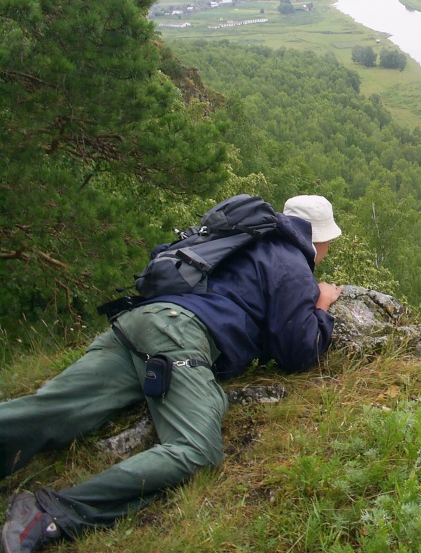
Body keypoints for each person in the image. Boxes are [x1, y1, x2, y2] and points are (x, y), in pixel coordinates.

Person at [1, 195, 344, 553]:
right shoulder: (291, 263)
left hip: (140, 320)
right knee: (197, 450)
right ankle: (49, 513)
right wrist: (321, 304)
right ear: (323, 240)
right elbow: (301, 352)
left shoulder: (245, 238)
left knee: (56, 407)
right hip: (179, 335)